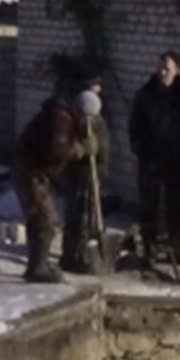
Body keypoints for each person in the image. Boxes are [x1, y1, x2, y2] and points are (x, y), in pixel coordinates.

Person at [13, 69, 96, 284]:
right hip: (29, 169)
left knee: (40, 217)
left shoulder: (64, 114)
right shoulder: (62, 118)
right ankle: (37, 268)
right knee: (46, 218)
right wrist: (80, 149)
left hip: (32, 168)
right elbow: (56, 150)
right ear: (83, 111)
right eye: (89, 117)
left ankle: (36, 265)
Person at [128, 51, 180, 265]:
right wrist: (139, 148)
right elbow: (134, 126)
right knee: (148, 205)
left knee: (175, 207)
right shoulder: (145, 95)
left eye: (167, 69)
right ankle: (149, 249)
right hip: (150, 160)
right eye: (160, 68)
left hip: (176, 160)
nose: (162, 73)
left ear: (176, 71)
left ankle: (174, 248)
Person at [60, 76, 110, 274]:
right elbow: (64, 151)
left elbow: (104, 153)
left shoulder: (100, 125)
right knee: (74, 216)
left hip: (92, 177)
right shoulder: (70, 124)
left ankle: (84, 255)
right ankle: (70, 255)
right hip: (75, 177)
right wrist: (81, 150)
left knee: (88, 218)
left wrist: (99, 172)